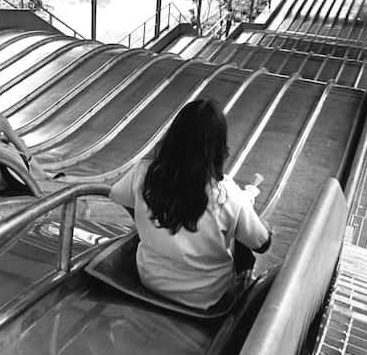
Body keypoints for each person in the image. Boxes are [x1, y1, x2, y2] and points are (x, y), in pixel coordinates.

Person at [110, 99, 272, 310]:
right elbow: (262, 244)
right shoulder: (227, 193)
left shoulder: (144, 173)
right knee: (245, 232)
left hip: (151, 281)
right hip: (207, 297)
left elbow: (117, 194)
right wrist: (263, 225)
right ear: (218, 148)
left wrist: (145, 223)